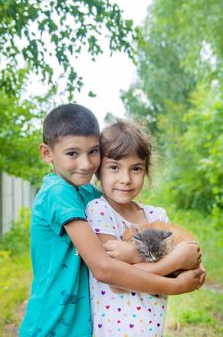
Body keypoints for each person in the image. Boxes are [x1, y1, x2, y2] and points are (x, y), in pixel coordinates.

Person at [19, 105, 204, 337]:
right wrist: (176, 284)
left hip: (80, 323)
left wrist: (187, 260)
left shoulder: (87, 194)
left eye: (93, 151)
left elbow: (126, 213)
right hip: (51, 324)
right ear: (47, 153)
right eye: (72, 153)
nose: (86, 164)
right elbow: (105, 269)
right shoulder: (58, 193)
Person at [86, 119, 206, 337]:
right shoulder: (99, 211)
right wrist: (175, 261)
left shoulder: (157, 215)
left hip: (152, 329)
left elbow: (188, 266)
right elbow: (117, 282)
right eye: (114, 167)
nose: (126, 179)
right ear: (98, 171)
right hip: (114, 331)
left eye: (136, 168)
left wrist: (189, 263)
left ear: (146, 171)